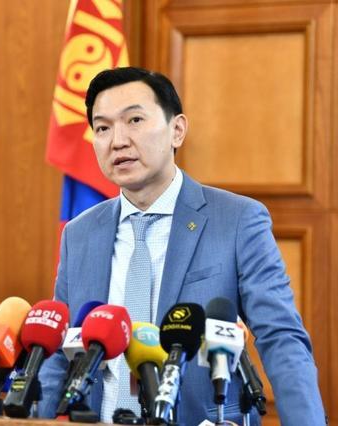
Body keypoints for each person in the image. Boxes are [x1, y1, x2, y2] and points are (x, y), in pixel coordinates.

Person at [37, 67, 326, 425]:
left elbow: (281, 338)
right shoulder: (79, 234)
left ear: (177, 130)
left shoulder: (237, 220)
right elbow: (61, 351)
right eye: (103, 128)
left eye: (134, 120)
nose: (118, 141)